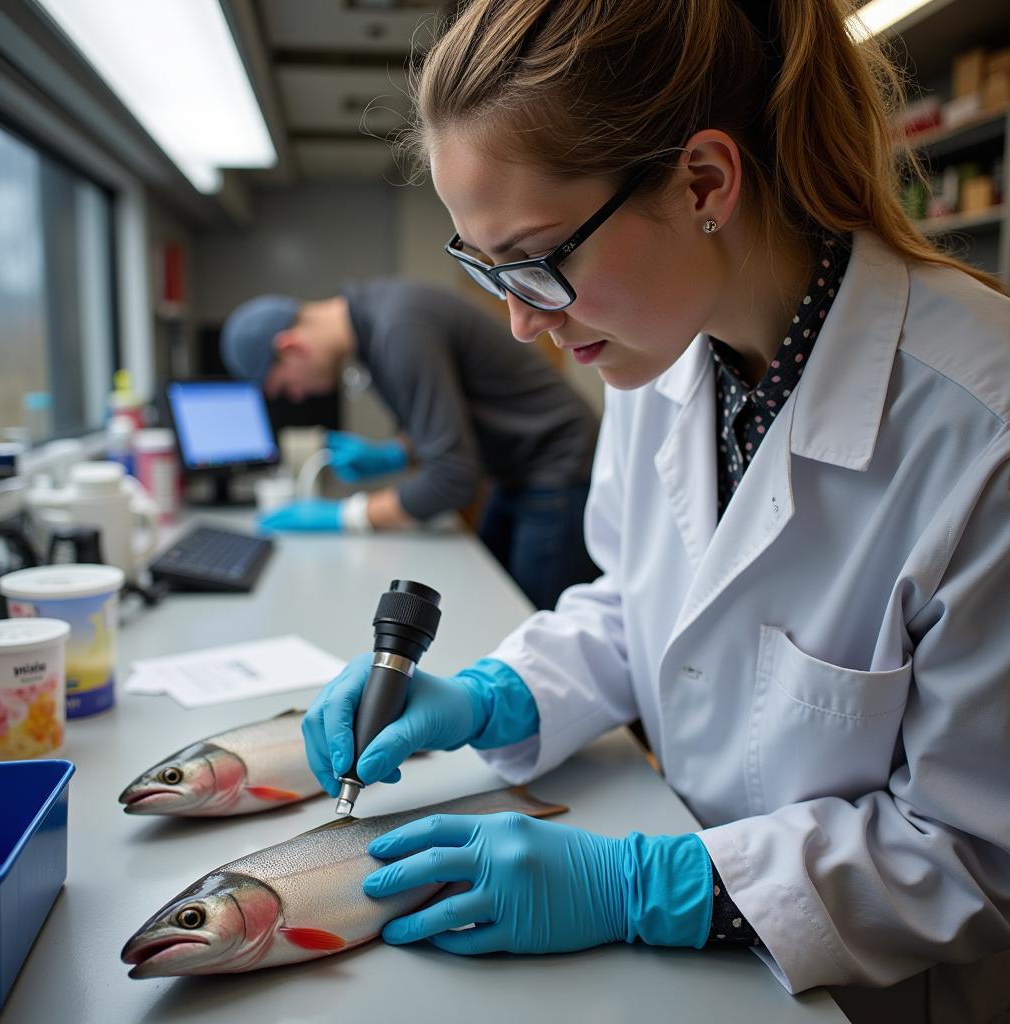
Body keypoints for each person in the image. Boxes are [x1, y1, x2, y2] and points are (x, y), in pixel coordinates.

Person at [301, 1, 1010, 1019]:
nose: (517, 317)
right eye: (483, 266)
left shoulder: (978, 430)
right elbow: (642, 606)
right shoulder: (665, 357)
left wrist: (641, 885)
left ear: (703, 184)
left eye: (538, 260)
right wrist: (492, 695)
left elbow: (970, 854)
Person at [220, 278, 599, 610]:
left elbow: (453, 478)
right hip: (518, 469)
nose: (297, 396)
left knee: (534, 623)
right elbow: (453, 421)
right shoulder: (375, 321)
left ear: (291, 347)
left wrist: (347, 516)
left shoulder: (398, 328)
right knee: (493, 599)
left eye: (285, 386)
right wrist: (397, 453)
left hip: (559, 465)